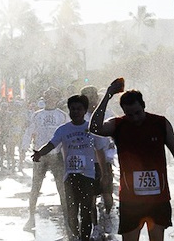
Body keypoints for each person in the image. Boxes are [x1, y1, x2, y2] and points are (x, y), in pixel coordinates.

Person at [89, 78, 174, 241]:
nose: (134, 118)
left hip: (158, 197)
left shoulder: (160, 123)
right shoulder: (118, 125)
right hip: (130, 199)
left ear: (144, 106)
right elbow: (95, 128)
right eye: (129, 114)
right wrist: (108, 95)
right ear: (123, 112)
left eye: (137, 113)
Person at [30, 94, 109, 241]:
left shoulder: (91, 129)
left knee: (86, 210)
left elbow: (100, 151)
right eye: (72, 109)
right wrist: (40, 153)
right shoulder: (63, 130)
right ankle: (75, 233)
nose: (75, 112)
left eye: (79, 109)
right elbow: (52, 144)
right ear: (69, 110)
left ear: (85, 111)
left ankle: (84, 238)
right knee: (72, 212)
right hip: (70, 176)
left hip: (88, 176)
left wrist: (104, 174)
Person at [22, 87, 71, 232]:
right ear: (44, 98)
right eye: (47, 96)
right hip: (40, 155)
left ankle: (68, 219)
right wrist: (24, 147)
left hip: (56, 156)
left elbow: (68, 134)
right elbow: (29, 131)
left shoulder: (62, 116)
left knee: (62, 189)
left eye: (52, 96)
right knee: (35, 188)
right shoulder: (37, 115)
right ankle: (31, 218)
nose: (50, 99)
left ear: (56, 98)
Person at [82, 85, 117, 238]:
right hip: (87, 163)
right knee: (90, 198)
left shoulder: (107, 114)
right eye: (87, 97)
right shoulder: (80, 116)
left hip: (105, 161)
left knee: (107, 193)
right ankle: (95, 226)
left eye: (92, 96)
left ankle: (108, 215)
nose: (90, 100)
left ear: (97, 97)